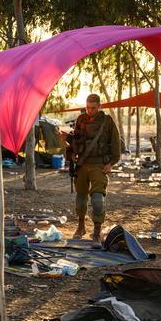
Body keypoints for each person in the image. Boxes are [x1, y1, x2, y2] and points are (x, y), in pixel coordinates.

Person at [65, 93, 123, 247]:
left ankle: (96, 232)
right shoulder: (80, 119)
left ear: (99, 106)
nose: (89, 110)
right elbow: (75, 140)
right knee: (81, 199)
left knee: (97, 200)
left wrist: (111, 163)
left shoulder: (107, 121)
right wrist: (66, 139)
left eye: (93, 108)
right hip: (82, 164)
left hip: (99, 165)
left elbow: (116, 145)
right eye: (87, 107)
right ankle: (81, 226)